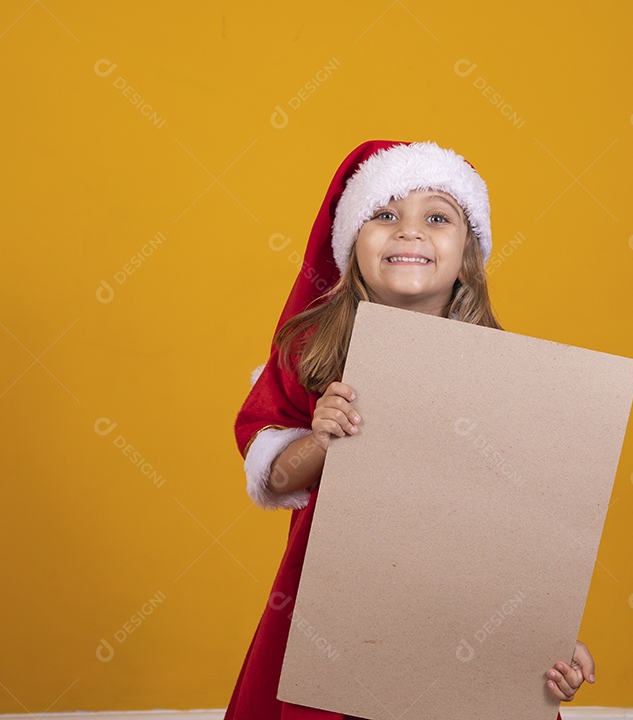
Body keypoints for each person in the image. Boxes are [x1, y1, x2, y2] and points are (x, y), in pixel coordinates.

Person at [228, 140, 595, 719]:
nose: (409, 231)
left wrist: (545, 636)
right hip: (331, 611)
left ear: (467, 251)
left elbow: (523, 532)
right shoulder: (309, 350)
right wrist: (320, 441)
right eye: (384, 214)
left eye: (437, 216)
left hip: (454, 611)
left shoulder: (512, 378)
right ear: (352, 243)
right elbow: (271, 476)